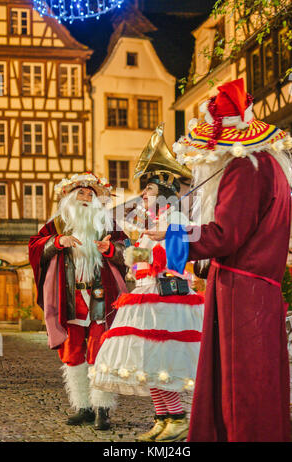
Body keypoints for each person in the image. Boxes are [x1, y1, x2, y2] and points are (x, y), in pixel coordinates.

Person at [145, 78, 292, 442]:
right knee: (257, 380)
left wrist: (172, 235)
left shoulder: (244, 168)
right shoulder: (269, 165)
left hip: (240, 290)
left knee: (239, 382)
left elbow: (226, 234)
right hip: (259, 286)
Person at [89, 169, 204, 442]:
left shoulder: (175, 218)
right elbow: (142, 259)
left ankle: (176, 418)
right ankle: (163, 418)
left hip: (163, 296)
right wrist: (120, 250)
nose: (142, 194)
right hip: (144, 294)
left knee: (160, 357)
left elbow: (177, 255)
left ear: (165, 195)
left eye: (149, 190)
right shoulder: (151, 222)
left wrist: (157, 242)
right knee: (147, 361)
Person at [29, 172, 127, 430]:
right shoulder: (57, 225)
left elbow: (127, 249)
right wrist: (57, 241)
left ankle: (102, 409)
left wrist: (112, 250)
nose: (85, 197)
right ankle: (83, 407)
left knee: (100, 353)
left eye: (90, 194)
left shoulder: (108, 225)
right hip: (69, 300)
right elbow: (35, 246)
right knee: (73, 355)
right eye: (80, 193)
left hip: (101, 299)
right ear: (70, 198)